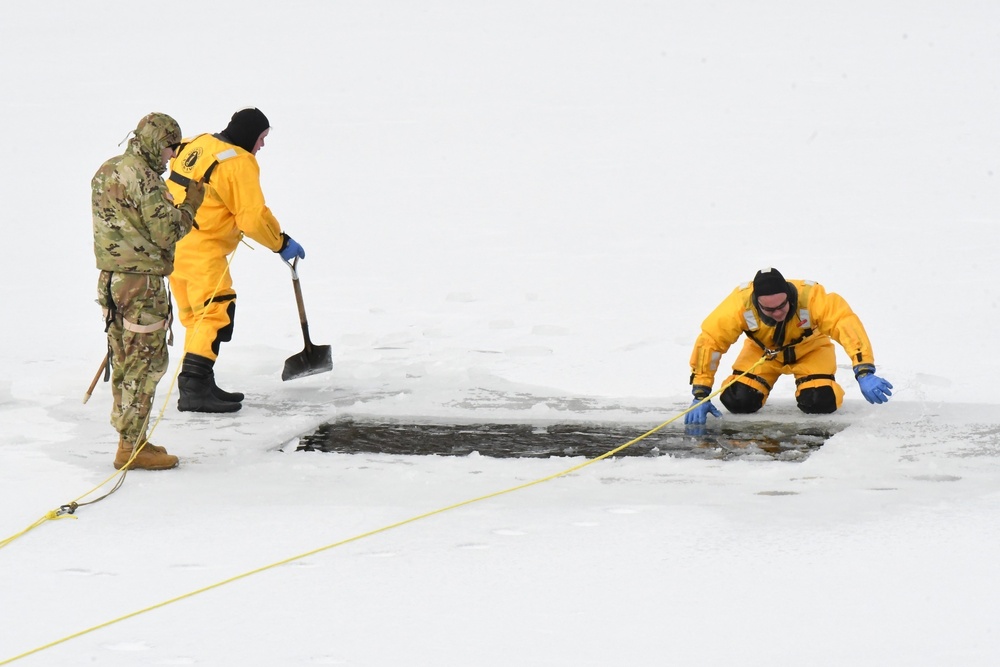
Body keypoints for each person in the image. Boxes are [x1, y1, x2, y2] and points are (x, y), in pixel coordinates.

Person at [165, 108, 306, 413]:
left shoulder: (197, 144)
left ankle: (201, 384)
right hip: (203, 251)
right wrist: (279, 243)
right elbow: (252, 218)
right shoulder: (239, 163)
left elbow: (252, 208)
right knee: (215, 313)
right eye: (262, 138)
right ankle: (194, 389)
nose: (262, 146)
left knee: (195, 319)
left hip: (172, 247)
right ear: (249, 135)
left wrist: (280, 232)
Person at [92, 112, 205, 470]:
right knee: (146, 363)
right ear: (158, 141)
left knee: (123, 359)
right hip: (141, 285)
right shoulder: (147, 180)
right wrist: (191, 203)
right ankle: (130, 448)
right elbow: (167, 232)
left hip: (112, 280)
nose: (172, 155)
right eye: (171, 147)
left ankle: (132, 438)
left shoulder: (108, 169)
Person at [684, 267, 893, 425]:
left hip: (811, 350)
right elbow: (710, 343)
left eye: (782, 306)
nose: (777, 313)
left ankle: (818, 387)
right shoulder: (738, 305)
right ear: (757, 303)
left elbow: (845, 324)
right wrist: (700, 393)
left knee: (819, 402)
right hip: (763, 353)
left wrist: (864, 370)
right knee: (737, 400)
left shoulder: (811, 298)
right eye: (769, 309)